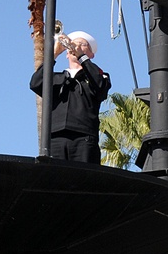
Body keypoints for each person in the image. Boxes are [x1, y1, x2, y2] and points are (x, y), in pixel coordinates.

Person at [30, 30, 111, 164]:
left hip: (84, 138)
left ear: (91, 54)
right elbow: (35, 83)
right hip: (55, 137)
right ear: (67, 54)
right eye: (73, 44)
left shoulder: (99, 76)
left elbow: (101, 86)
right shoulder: (56, 77)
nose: (76, 46)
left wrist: (81, 57)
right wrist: (54, 53)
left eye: (82, 44)